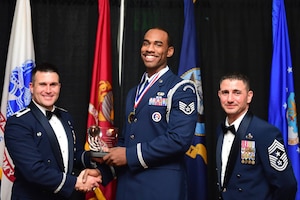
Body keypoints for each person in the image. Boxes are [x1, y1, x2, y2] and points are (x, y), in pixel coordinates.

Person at [100, 27, 198, 200]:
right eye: (146, 43)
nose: (150, 49)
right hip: (127, 187)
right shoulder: (134, 92)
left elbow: (178, 140)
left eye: (158, 44)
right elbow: (127, 139)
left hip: (160, 187)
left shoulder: (181, 89)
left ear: (169, 51)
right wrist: (103, 170)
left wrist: (129, 155)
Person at [4, 63, 101, 200]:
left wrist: (97, 156)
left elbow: (74, 156)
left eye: (53, 84)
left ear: (59, 87)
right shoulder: (18, 122)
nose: (48, 90)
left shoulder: (66, 117)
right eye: (43, 84)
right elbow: (33, 170)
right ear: (31, 87)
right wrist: (75, 182)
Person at [216, 73, 297, 200]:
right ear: (219, 95)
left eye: (237, 93)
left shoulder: (265, 132)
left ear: (249, 96)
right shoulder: (220, 130)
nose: (230, 99)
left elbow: (287, 185)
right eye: (225, 92)